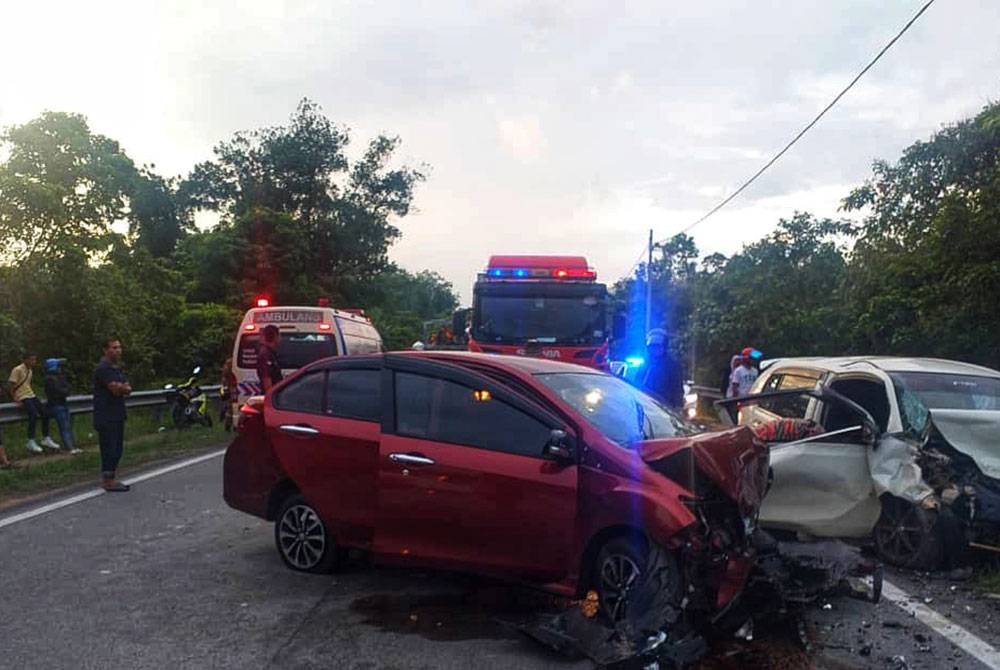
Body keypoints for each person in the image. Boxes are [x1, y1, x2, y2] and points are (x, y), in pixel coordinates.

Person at [93, 338, 132, 492]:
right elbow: (116, 389)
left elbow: (127, 388)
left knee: (118, 449)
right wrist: (122, 387)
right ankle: (107, 480)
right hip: (106, 415)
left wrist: (122, 387)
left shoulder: (116, 369)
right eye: (114, 347)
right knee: (109, 449)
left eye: (119, 347)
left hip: (117, 413)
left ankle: (111, 477)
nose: (118, 350)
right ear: (106, 350)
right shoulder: (103, 369)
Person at [7, 353, 58, 454]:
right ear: (25, 360)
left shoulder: (30, 371)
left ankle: (46, 438)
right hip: (22, 396)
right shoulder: (17, 370)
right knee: (33, 414)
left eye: (34, 360)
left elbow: (27, 385)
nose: (33, 362)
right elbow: (11, 385)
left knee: (45, 413)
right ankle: (31, 440)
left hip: (30, 394)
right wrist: (15, 399)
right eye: (31, 360)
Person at [44, 358, 82, 454]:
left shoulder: (59, 377)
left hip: (63, 403)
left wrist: (64, 391)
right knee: (64, 427)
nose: (60, 368)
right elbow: (58, 391)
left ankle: (72, 446)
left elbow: (67, 388)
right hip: (56, 405)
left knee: (68, 426)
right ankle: (70, 448)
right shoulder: (49, 379)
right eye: (59, 366)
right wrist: (64, 391)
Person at [640, 328, 684, 408]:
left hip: (664, 406)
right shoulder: (645, 364)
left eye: (657, 347)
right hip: (645, 403)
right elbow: (637, 382)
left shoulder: (672, 365)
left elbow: (677, 389)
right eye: (652, 347)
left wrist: (678, 407)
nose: (654, 350)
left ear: (664, 347)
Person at [256, 325, 283, 395]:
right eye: (279, 336)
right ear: (275, 337)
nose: (281, 338)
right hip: (271, 397)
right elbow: (267, 380)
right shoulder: (265, 355)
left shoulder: (271, 353)